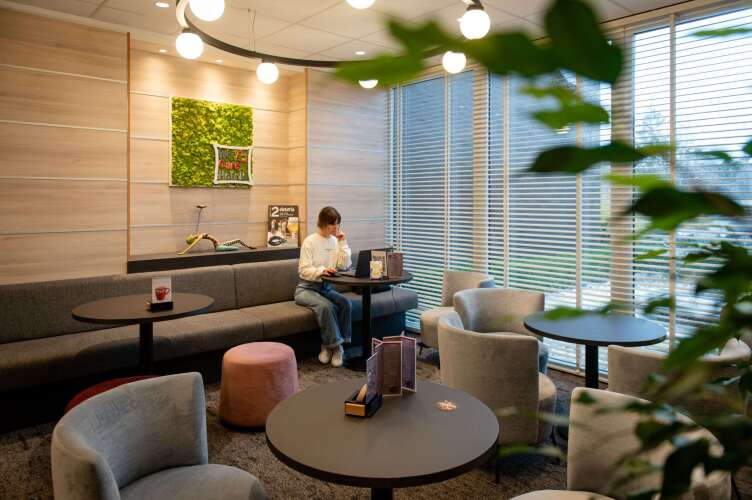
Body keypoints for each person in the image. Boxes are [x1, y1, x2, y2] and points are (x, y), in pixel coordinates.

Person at [295, 207, 352, 367]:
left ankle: (331, 345)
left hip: (325, 288)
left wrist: (343, 242)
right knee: (326, 307)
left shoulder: (335, 241)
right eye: (333, 224)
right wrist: (321, 271)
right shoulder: (310, 241)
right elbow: (303, 270)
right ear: (323, 223)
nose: (336, 228)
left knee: (345, 303)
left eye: (338, 224)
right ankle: (336, 347)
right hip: (306, 289)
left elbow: (345, 265)